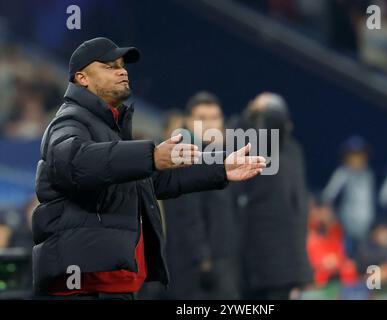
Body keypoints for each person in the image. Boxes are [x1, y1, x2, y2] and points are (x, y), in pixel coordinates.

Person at [32, 37, 266, 300]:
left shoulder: (111, 127)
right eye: (109, 66)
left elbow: (154, 180)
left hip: (110, 282)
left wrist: (220, 168)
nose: (122, 70)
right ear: (82, 78)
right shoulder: (70, 119)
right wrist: (150, 155)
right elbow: (73, 163)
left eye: (122, 65)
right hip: (84, 284)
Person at [233, 92, 313, 300]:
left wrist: (252, 112)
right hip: (262, 263)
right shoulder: (285, 150)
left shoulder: (281, 149)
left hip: (275, 265)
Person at [164, 92, 239, 299]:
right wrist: (204, 259)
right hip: (195, 270)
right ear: (188, 122)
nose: (209, 124)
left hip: (224, 263)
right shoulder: (183, 157)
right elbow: (187, 215)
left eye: (214, 117)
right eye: (202, 118)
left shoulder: (224, 158)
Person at [322, 135, 375, 257]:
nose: (356, 159)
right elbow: (328, 195)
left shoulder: (368, 175)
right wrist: (331, 215)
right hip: (346, 226)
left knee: (364, 257)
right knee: (346, 255)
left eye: (359, 155)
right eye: (353, 155)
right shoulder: (342, 173)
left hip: (366, 226)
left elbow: (371, 201)